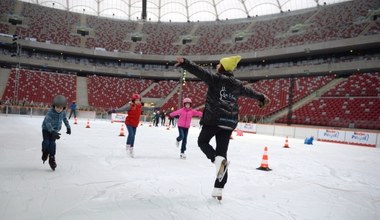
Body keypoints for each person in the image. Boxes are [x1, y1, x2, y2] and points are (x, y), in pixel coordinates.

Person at [175, 55, 270, 200]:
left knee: (203, 142)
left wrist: (185, 63)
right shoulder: (238, 84)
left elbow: (200, 71)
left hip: (214, 119)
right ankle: (218, 189)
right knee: (222, 155)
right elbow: (251, 93)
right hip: (229, 123)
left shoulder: (216, 78)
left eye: (219, 64)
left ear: (223, 67)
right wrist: (262, 97)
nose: (217, 65)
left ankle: (215, 159)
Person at [41, 95, 71, 171]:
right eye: (57, 107)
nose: (58, 109)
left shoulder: (63, 113)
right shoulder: (50, 112)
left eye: (60, 108)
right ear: (54, 105)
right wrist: (52, 131)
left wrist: (68, 127)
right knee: (46, 142)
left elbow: (65, 120)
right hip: (46, 130)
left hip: (55, 131)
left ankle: (52, 158)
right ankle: (45, 152)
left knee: (52, 144)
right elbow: (47, 122)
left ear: (63, 108)